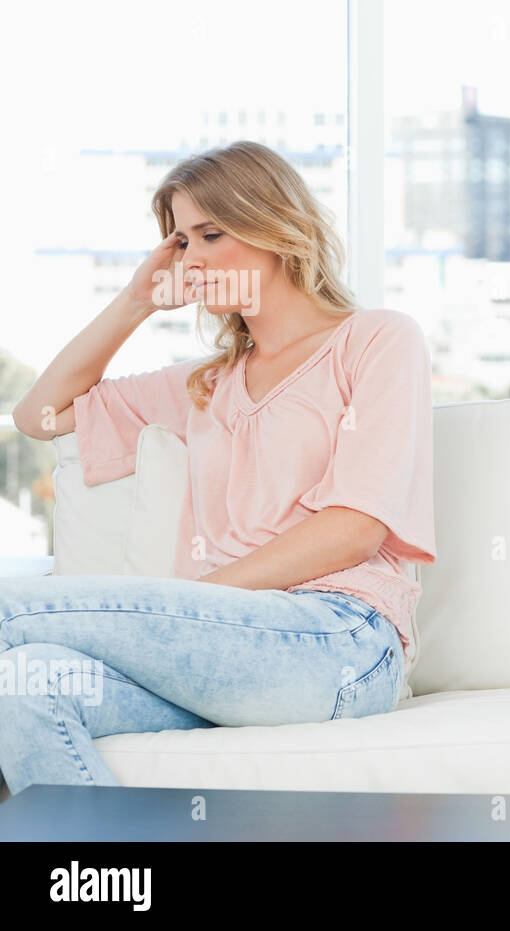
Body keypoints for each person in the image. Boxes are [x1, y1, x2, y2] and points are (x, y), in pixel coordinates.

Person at [2, 140, 436, 797]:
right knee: (25, 682)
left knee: (10, 614)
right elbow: (39, 414)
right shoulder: (205, 384)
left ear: (275, 227)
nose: (191, 257)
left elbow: (354, 528)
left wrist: (197, 603)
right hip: (208, 653)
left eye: (210, 233)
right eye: (179, 241)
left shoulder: (376, 340)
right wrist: (135, 301)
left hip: (338, 640)